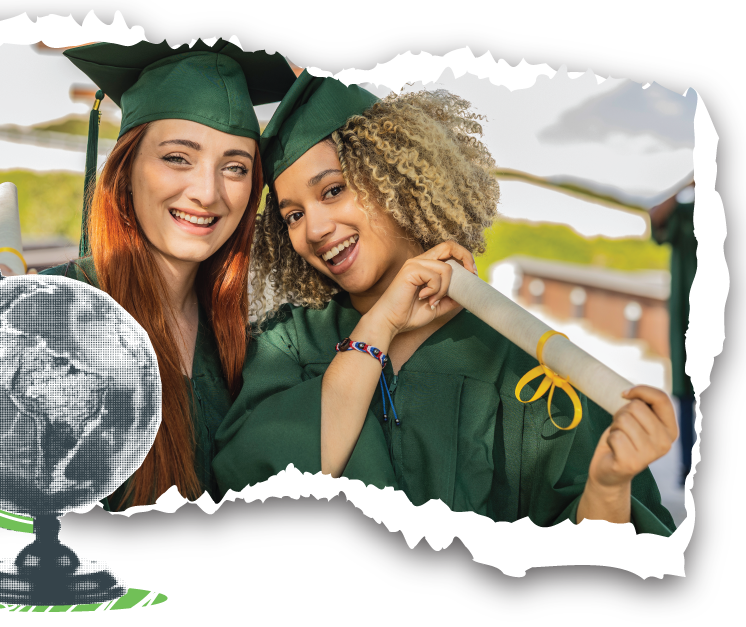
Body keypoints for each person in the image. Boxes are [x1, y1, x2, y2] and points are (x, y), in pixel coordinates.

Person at [213, 72, 678, 535]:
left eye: (333, 190)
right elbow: (251, 493)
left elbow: (590, 557)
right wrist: (382, 323)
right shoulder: (288, 345)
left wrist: (609, 485)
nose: (314, 229)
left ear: (391, 173)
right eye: (292, 215)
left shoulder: (518, 358)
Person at [35, 40, 296, 510]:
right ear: (126, 169)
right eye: (178, 157)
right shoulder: (50, 315)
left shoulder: (247, 336)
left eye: (235, 167)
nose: (207, 192)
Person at [649, 180, 697, 484]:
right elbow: (655, 215)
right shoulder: (685, 212)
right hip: (688, 316)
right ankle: (687, 467)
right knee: (687, 393)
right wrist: (689, 183)